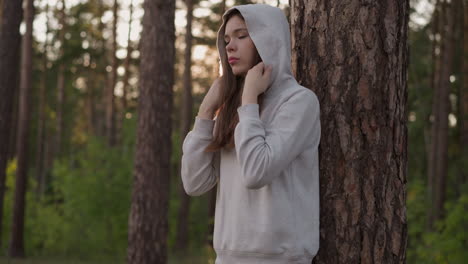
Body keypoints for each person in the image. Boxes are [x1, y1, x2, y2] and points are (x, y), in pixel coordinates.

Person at [181, 3, 320, 264]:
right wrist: (206, 111)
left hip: (281, 259)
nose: (230, 46)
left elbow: (257, 171)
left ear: (268, 39)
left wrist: (248, 101)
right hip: (227, 257)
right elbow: (194, 183)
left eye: (242, 36)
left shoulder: (299, 102)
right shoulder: (232, 108)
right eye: (227, 39)